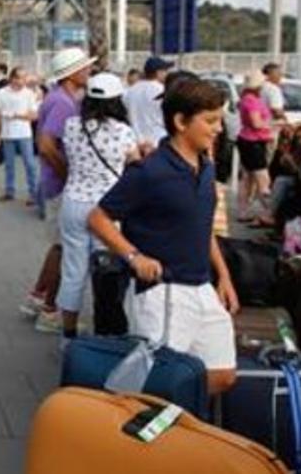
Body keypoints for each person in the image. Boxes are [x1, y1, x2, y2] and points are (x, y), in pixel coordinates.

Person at [88, 77, 239, 397]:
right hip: (164, 292)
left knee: (222, 375)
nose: (218, 129)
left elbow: (202, 225)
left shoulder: (206, 166)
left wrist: (223, 276)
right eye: (210, 121)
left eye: (219, 120)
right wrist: (134, 257)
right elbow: (98, 219)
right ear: (181, 121)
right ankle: (136, 431)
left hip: (201, 287)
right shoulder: (150, 171)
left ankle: (168, 424)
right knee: (157, 384)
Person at [56, 73, 138, 346]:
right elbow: (134, 166)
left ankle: (67, 335)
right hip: (107, 209)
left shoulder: (71, 126)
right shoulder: (124, 132)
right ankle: (104, 331)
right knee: (107, 272)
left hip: (73, 203)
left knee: (72, 270)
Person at [26, 48, 94, 333]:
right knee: (64, 248)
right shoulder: (64, 104)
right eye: (85, 68)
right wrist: (69, 175)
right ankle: (50, 310)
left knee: (59, 244)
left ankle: (39, 297)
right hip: (59, 184)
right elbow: (46, 145)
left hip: (55, 182)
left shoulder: (59, 98)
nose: (88, 72)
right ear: (73, 73)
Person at [0, 68, 39, 205]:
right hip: (7, 134)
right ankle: (9, 191)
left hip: (24, 134)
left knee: (30, 164)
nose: (22, 81)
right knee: (9, 165)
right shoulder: (2, 92)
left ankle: (33, 194)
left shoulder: (29, 93)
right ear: (12, 78)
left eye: (24, 78)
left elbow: (35, 116)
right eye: (19, 78)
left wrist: (16, 115)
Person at [236, 71, 274, 223]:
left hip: (247, 140)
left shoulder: (246, 99)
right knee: (263, 179)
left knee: (247, 178)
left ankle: (243, 211)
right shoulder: (252, 101)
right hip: (254, 142)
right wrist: (273, 124)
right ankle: (269, 212)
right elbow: (256, 123)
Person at [123, 56, 174, 148]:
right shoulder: (162, 90)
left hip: (136, 143)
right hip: (158, 142)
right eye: (165, 71)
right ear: (158, 73)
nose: (167, 74)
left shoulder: (129, 91)